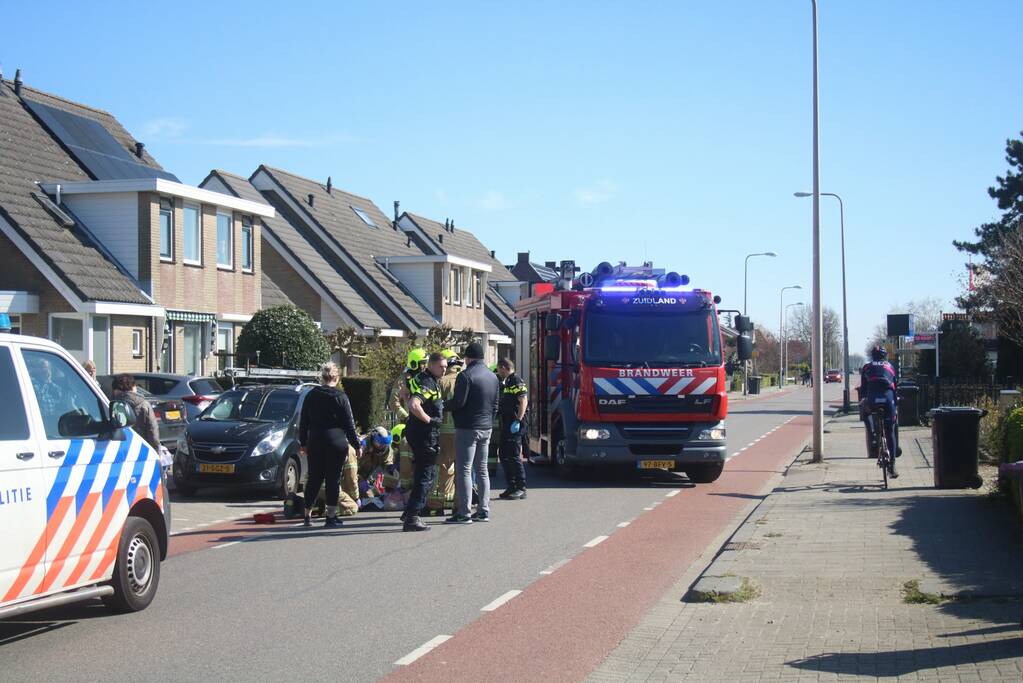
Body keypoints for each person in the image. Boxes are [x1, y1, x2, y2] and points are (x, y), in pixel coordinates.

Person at [299, 362, 362, 528]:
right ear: (336, 377)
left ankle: (307, 516)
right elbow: (349, 424)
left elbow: (303, 421)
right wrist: (356, 444)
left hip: (316, 440)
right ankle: (331, 517)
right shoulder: (340, 397)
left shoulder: (311, 395)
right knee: (333, 479)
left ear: (322, 377)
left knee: (314, 478)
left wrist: (303, 442)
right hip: (336, 441)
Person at [444, 342, 500, 524]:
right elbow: (496, 404)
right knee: (482, 470)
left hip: (467, 428)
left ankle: (464, 512)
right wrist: (488, 420)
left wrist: (442, 405)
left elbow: (459, 402)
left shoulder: (465, 375)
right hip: (486, 427)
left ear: (468, 358)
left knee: (464, 470)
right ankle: (483, 510)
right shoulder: (493, 377)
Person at [403, 352, 447, 532]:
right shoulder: (428, 382)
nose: (444, 370)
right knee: (425, 476)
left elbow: (404, 393)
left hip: (416, 430)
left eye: (446, 367)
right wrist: (429, 420)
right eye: (441, 367)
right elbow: (414, 404)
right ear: (431, 365)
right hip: (424, 433)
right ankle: (413, 518)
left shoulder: (419, 377)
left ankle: (409, 512)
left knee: (422, 473)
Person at [428, 349, 462, 514]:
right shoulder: (465, 380)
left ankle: (436, 505)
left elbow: (434, 405)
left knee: (442, 466)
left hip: (444, 432)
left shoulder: (440, 382)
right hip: (463, 431)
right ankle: (459, 505)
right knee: (462, 469)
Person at [860, 346, 899, 478]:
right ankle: (892, 467)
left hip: (872, 397)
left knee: (866, 411)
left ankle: (872, 435)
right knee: (890, 431)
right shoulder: (890, 366)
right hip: (888, 398)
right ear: (884, 356)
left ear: (872, 356)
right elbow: (895, 386)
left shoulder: (866, 367)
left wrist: (863, 400)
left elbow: (863, 389)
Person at [496, 358, 529, 500]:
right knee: (503, 455)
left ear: (504, 367)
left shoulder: (516, 380)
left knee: (514, 455)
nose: (498, 372)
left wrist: (518, 420)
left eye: (498, 369)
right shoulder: (507, 382)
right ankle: (512, 485)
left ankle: (521, 488)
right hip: (506, 422)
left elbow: (523, 401)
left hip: (515, 423)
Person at [111, 373, 161, 451]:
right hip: (141, 448)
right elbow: (152, 429)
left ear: (115, 390)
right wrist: (156, 450)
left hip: (119, 450)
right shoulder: (144, 404)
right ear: (133, 387)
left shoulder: (112, 405)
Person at [391, 348, 427, 421]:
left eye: (426, 362)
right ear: (414, 364)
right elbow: (393, 402)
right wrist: (405, 417)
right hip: (409, 423)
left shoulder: (427, 379)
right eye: (423, 363)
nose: (425, 366)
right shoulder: (402, 380)